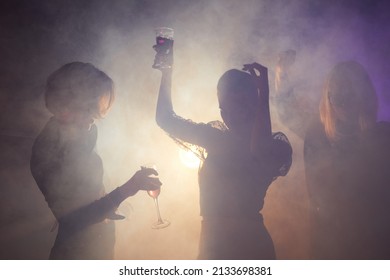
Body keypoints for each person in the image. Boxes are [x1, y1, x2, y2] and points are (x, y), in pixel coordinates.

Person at [153, 46, 292, 259]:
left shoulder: (276, 147)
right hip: (212, 246)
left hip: (250, 246)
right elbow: (165, 118)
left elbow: (259, 152)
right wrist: (167, 71)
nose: (229, 113)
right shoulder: (215, 139)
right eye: (223, 106)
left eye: (239, 103)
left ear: (254, 105)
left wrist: (264, 94)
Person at [30, 62, 162, 260]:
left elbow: (89, 190)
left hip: (101, 248)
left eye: (95, 111)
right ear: (64, 103)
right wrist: (126, 190)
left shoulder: (84, 133)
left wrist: (113, 204)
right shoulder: (47, 149)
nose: (93, 119)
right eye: (87, 110)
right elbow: (72, 220)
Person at [275, 55, 390, 259]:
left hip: (374, 248)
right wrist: (281, 74)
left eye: (351, 92)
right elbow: (287, 112)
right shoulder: (318, 136)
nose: (344, 100)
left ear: (364, 95)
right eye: (338, 93)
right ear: (329, 98)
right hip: (329, 247)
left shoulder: (382, 138)